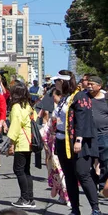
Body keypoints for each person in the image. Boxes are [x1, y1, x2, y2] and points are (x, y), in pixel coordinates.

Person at [53, 71, 101, 215]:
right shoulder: (64, 98)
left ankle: (95, 208)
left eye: (58, 81)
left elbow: (83, 119)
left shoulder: (80, 96)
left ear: (64, 82)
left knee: (82, 173)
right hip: (62, 141)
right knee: (69, 175)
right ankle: (75, 209)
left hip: (78, 142)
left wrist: (79, 139)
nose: (56, 84)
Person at [6, 83, 36, 209]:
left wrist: (11, 143)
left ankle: (24, 198)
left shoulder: (16, 107)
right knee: (26, 170)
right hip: (29, 140)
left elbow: (15, 126)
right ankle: (30, 198)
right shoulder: (28, 106)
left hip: (21, 141)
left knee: (19, 170)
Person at [88, 76, 108, 193]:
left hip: (104, 135)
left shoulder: (106, 99)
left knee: (105, 161)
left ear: (99, 86)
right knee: (88, 161)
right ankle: (92, 183)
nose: (89, 86)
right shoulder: (85, 98)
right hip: (88, 135)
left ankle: (102, 185)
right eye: (88, 83)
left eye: (92, 84)